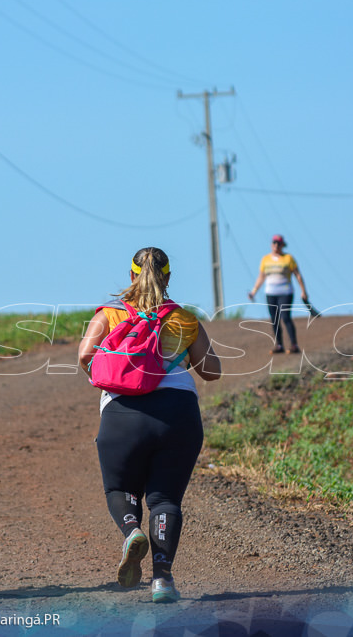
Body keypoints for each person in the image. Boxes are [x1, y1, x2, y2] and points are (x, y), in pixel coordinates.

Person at [78, 247, 222, 603]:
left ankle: (131, 532)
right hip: (178, 415)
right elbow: (212, 371)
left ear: (131, 276)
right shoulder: (185, 319)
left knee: (120, 489)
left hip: (122, 413)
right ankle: (162, 580)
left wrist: (111, 379)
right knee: (165, 499)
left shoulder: (109, 314)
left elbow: (84, 356)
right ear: (168, 278)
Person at [248, 234, 309, 353]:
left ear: (282, 245)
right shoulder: (265, 259)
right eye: (274, 243)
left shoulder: (288, 258)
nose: (276, 245)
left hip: (285, 291)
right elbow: (261, 276)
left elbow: (297, 275)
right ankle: (279, 345)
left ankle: (294, 345)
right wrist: (254, 291)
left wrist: (303, 291)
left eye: (279, 243)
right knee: (274, 319)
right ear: (271, 245)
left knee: (285, 317)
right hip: (270, 292)